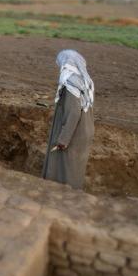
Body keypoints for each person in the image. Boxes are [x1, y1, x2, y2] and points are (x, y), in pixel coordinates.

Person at [42, 50, 95, 190]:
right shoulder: (84, 80)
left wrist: (63, 140)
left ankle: (60, 197)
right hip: (85, 129)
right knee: (73, 169)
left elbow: (73, 113)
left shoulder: (70, 82)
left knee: (66, 169)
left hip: (74, 133)